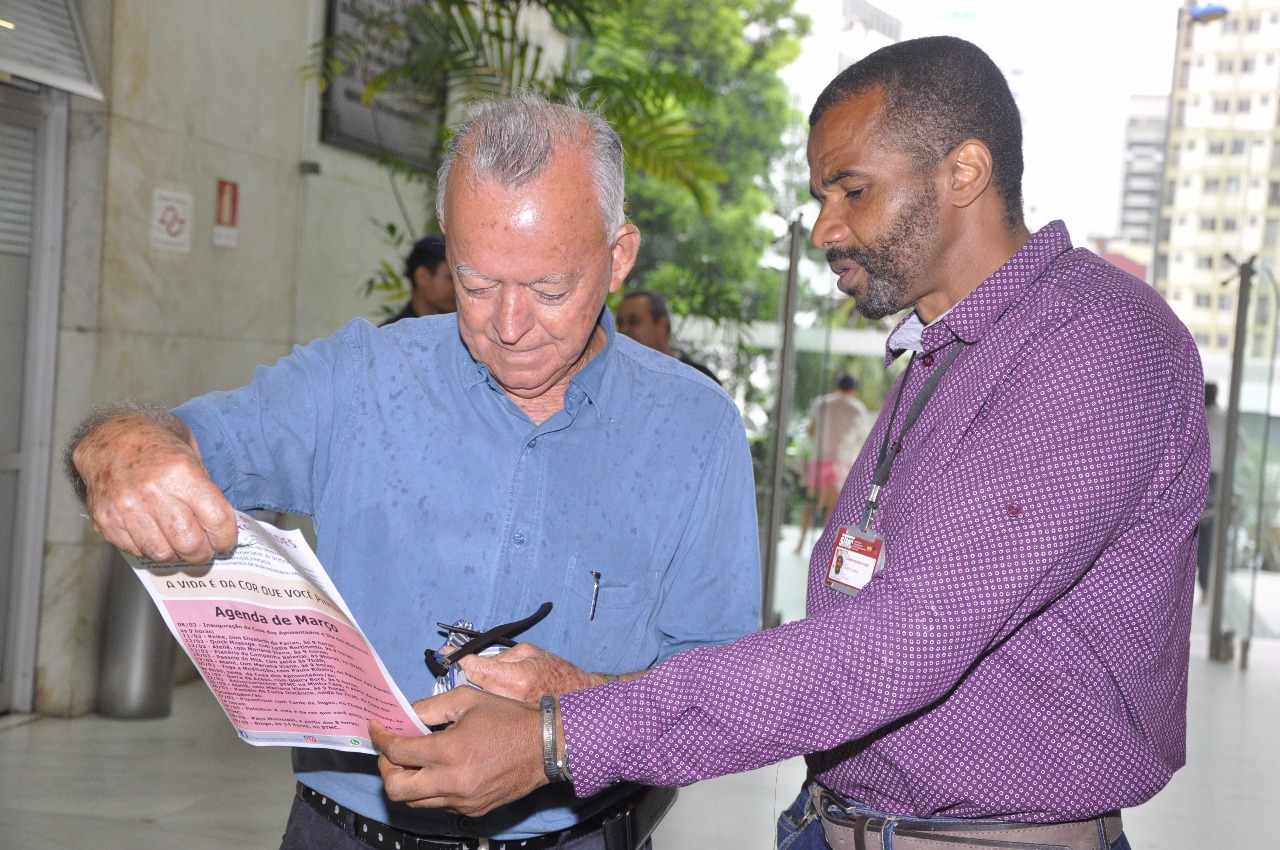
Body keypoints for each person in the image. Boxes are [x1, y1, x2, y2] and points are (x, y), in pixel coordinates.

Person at [369, 37, 1209, 850]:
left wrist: (561, 736)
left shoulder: (1094, 347)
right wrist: (593, 695)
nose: (824, 230)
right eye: (820, 196)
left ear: (965, 172)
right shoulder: (950, 347)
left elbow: (899, 644)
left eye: (851, 191)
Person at [66, 92, 761, 850]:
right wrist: (119, 448)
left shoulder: (696, 430)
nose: (509, 324)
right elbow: (188, 444)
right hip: (345, 832)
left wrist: (570, 713)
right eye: (477, 283)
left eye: (549, 289)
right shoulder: (363, 378)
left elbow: (721, 689)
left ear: (619, 255)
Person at [794, 373, 869, 555]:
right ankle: (826, 547)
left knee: (812, 503)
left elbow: (811, 431)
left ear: (836, 386)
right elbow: (862, 438)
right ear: (853, 390)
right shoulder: (858, 408)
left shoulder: (821, 402)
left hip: (819, 459)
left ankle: (801, 544)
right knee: (833, 509)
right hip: (842, 463)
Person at [615, 289, 721, 384]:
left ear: (663, 326)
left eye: (634, 321)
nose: (623, 330)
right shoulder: (617, 376)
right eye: (620, 323)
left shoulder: (701, 381)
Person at [381, 234, 456, 325]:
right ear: (422, 276)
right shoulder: (391, 335)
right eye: (451, 278)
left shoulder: (453, 331)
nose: (457, 288)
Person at [1199, 381, 1228, 600]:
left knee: (1195, 532)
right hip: (1216, 477)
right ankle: (1206, 589)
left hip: (1202, 476)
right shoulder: (1222, 419)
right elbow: (1241, 447)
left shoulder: (1201, 416)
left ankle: (1204, 588)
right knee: (1206, 536)